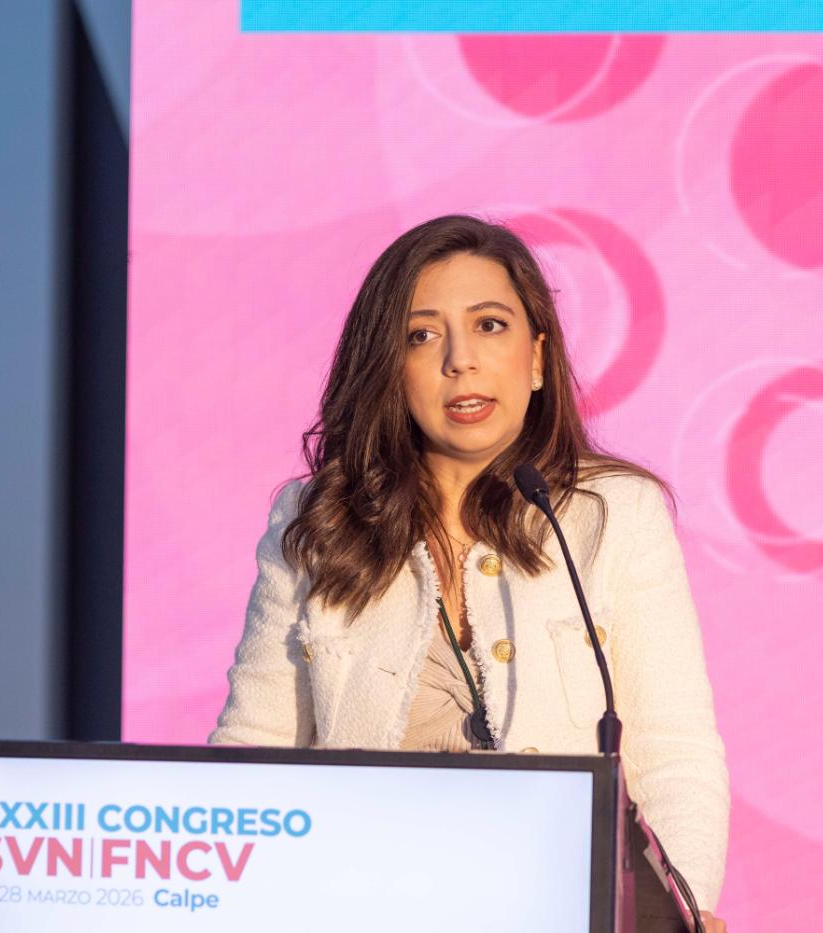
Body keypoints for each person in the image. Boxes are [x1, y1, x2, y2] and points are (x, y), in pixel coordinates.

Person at [209, 215, 729, 931]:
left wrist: (685, 913)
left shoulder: (613, 512)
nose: (461, 360)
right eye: (421, 336)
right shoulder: (316, 520)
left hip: (563, 903)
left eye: (490, 326)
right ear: (389, 371)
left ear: (537, 358)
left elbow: (673, 749)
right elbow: (253, 748)